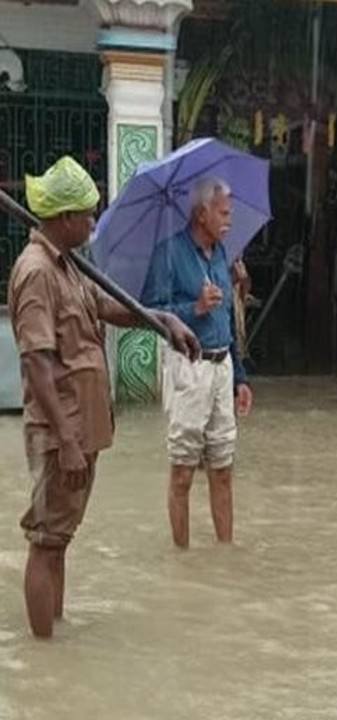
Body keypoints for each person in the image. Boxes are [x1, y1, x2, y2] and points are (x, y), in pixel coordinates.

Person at [9, 156, 200, 638]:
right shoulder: (36, 272)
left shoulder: (68, 266)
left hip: (81, 426)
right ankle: (44, 657)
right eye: (89, 213)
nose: (95, 221)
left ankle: (54, 633)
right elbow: (38, 363)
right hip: (60, 432)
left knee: (60, 539)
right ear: (65, 218)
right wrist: (68, 440)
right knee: (45, 541)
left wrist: (164, 321)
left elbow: (108, 308)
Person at [140, 177, 254, 549]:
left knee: (222, 469)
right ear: (201, 214)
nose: (230, 220)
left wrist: (240, 376)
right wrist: (195, 308)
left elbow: (228, 323)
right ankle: (183, 558)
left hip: (221, 368)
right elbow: (151, 314)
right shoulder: (169, 253)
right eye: (223, 213)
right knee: (183, 473)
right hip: (189, 368)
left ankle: (225, 551)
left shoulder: (223, 253)